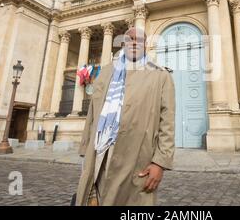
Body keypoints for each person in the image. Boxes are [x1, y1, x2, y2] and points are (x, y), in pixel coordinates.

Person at [75, 27, 175, 206]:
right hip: (99, 154)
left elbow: (167, 122)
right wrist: (85, 149)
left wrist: (160, 162)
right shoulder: (105, 72)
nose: (134, 42)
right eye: (130, 39)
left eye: (140, 40)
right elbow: (92, 113)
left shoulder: (161, 75)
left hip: (136, 159)